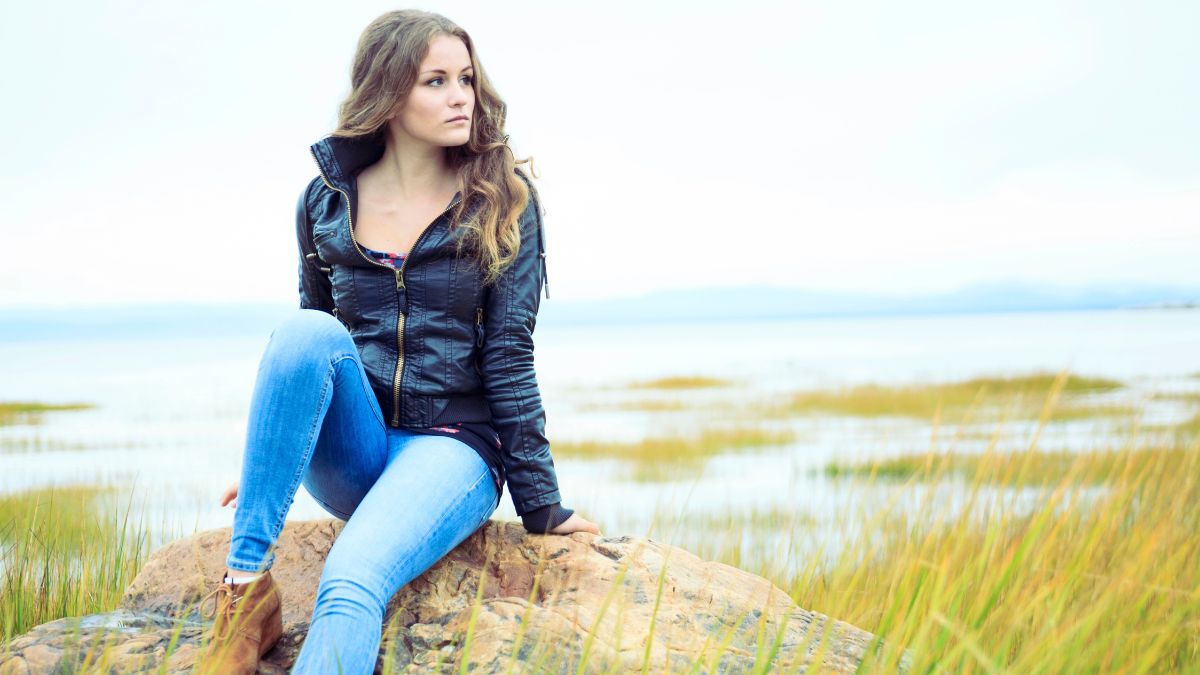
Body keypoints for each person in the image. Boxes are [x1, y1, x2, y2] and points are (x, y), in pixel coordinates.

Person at [194, 10, 600, 674]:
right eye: (435, 81)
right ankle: (244, 596)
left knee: (350, 579)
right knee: (302, 330)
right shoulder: (325, 200)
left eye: (465, 78)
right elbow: (316, 334)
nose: (460, 95)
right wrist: (276, 452)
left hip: (452, 449)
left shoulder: (503, 199)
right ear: (387, 93)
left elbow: (508, 354)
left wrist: (541, 502)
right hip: (359, 446)